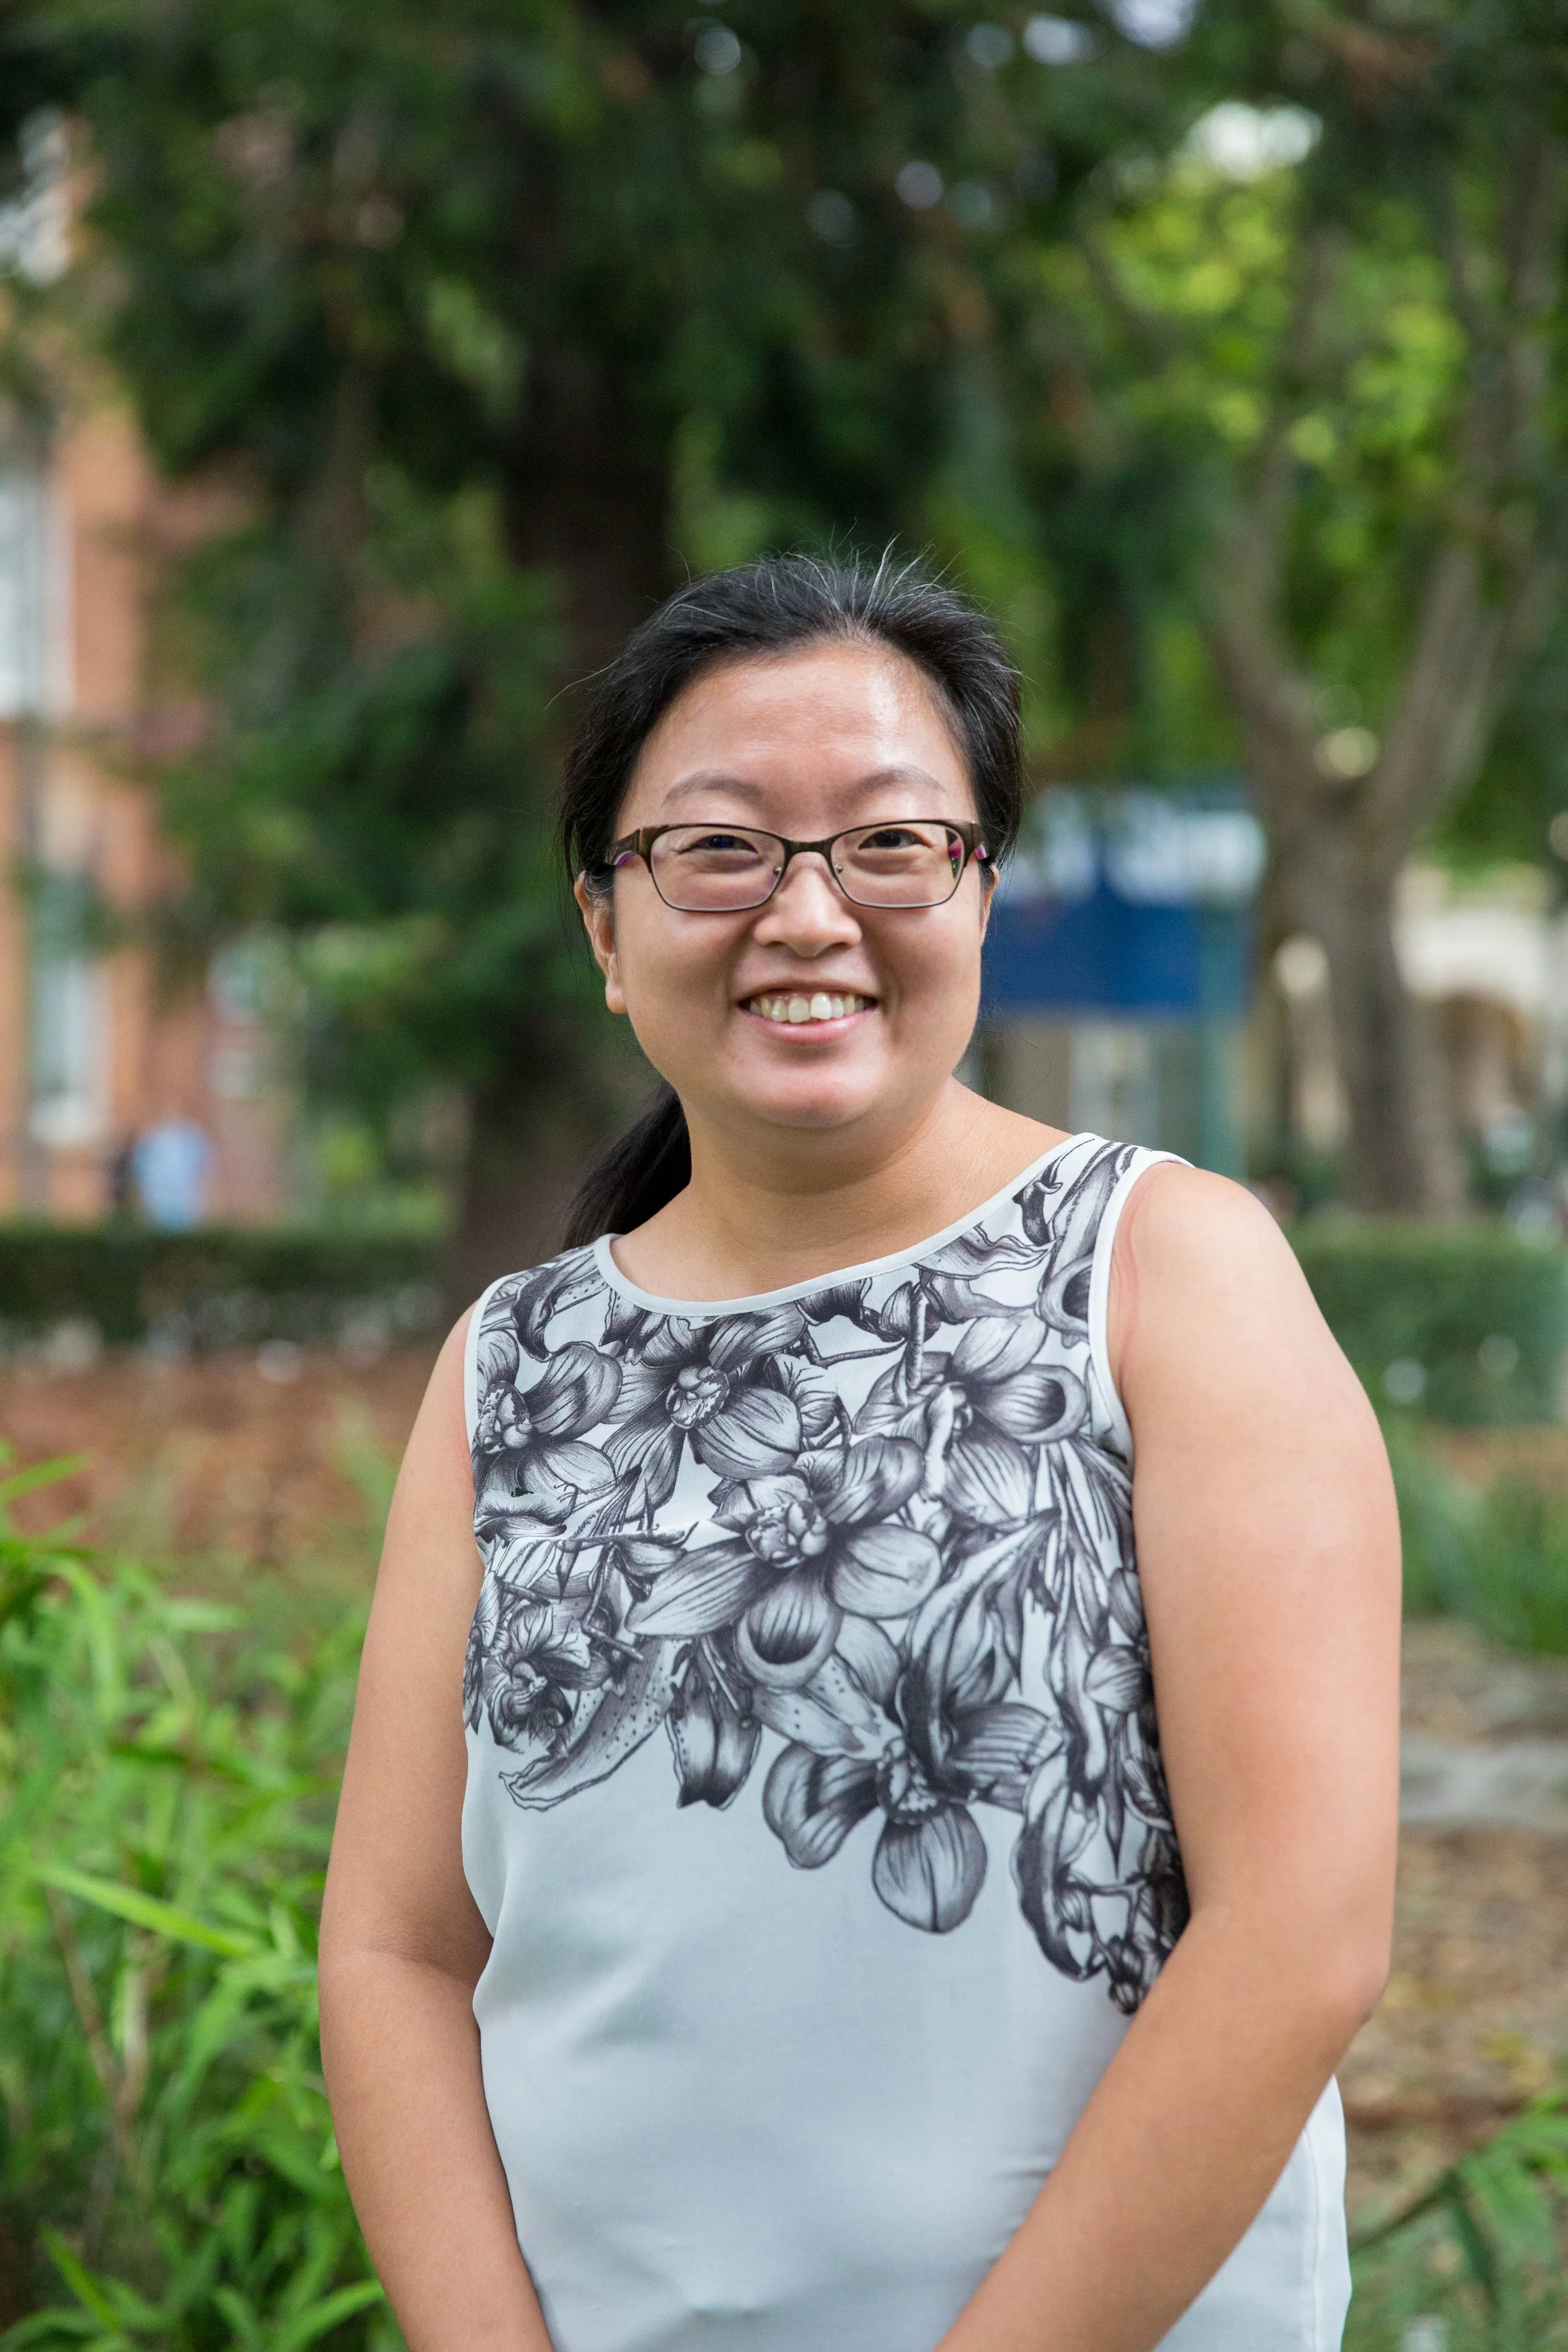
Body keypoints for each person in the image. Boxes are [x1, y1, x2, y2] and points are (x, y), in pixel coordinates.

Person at [319, 554, 1400, 2352]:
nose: (807, 913)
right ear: (605, 923)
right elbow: (398, 1953)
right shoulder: (509, 1363)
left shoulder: (1161, 1269)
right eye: (720, 846)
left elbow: (1299, 1931)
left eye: (890, 843)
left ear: (980, 893)